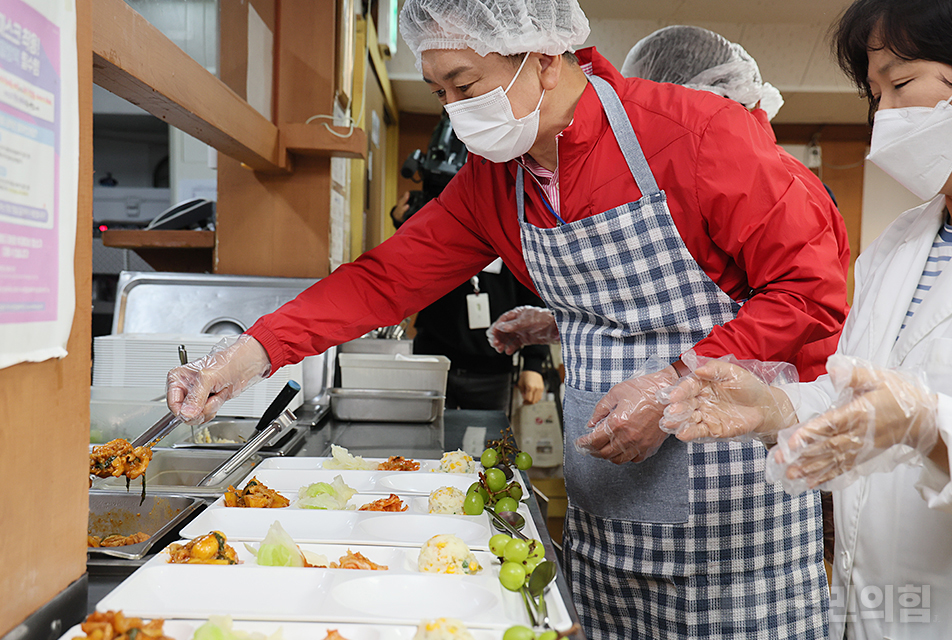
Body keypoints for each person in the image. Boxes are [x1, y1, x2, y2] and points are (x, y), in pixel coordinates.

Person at [166, 0, 849, 636]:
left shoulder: (695, 134)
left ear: (545, 59)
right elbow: (384, 281)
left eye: (466, 84)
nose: (456, 111)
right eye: (440, 93)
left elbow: (810, 290)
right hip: (605, 519)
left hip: (735, 524)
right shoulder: (497, 181)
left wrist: (677, 384)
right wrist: (248, 355)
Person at [659, 1, 952, 637]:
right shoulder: (901, 245)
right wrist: (775, 407)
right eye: (877, 96)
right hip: (868, 602)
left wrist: (933, 426)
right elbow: (855, 391)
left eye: (903, 84)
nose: (888, 116)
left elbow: (910, 411)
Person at [491, 25, 852, 381]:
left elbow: (796, 304)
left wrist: (681, 377)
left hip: (782, 405)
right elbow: (697, 298)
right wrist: (568, 321)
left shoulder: (787, 182)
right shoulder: (669, 177)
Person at [391, 191, 550, 411]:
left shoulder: (517, 227)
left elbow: (535, 300)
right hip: (434, 359)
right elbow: (410, 263)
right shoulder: (446, 212)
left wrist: (533, 364)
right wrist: (402, 223)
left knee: (489, 443)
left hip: (492, 369)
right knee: (424, 440)